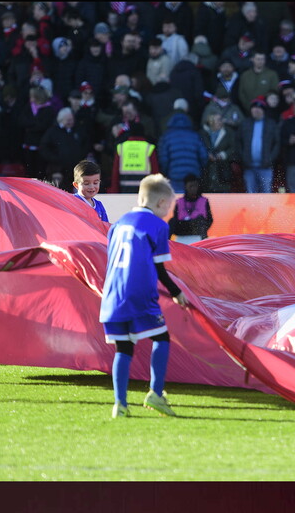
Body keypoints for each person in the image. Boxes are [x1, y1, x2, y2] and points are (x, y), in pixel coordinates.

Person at [100, 173, 189, 418]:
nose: (170, 213)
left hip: (112, 296)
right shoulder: (159, 226)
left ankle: (120, 404)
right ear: (161, 203)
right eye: (170, 208)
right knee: (162, 338)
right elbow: (160, 268)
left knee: (123, 349)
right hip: (139, 293)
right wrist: (177, 292)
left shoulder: (117, 224)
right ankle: (156, 393)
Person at [156, 109, 208, 194]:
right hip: (193, 175)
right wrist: (200, 170)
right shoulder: (195, 136)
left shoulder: (167, 136)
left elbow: (163, 158)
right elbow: (204, 156)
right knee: (192, 201)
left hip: (174, 176)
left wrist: (166, 173)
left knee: (177, 201)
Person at [238, 98, 279, 193]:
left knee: (266, 194)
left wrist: (270, 159)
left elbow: (277, 143)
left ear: (263, 111)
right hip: (249, 167)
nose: (256, 110)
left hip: (266, 167)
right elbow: (238, 142)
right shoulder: (245, 123)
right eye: (254, 108)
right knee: (251, 194)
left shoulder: (271, 124)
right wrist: (243, 157)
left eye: (259, 108)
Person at [168, 173, 213, 243]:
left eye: (195, 186)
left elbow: (210, 219)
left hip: (197, 228)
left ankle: (203, 240)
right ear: (186, 187)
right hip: (182, 228)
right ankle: (167, 243)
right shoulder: (179, 201)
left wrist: (204, 228)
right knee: (172, 221)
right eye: (190, 186)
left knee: (201, 220)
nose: (193, 188)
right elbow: (175, 218)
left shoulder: (204, 201)